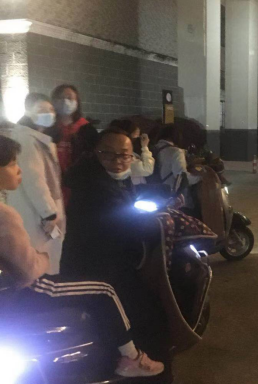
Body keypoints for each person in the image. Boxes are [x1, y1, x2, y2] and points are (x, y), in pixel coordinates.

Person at [0, 134, 164, 378]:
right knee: (105, 290)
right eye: (13, 163)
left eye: (125, 155)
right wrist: (43, 257)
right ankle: (131, 357)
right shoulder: (5, 215)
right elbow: (28, 270)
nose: (19, 169)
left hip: (13, 286)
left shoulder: (90, 177)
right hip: (27, 287)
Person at [0, 93, 65, 275]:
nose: (48, 113)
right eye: (41, 109)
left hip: (39, 212)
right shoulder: (26, 139)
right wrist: (49, 213)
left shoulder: (39, 138)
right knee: (37, 259)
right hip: (36, 214)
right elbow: (35, 180)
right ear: (29, 112)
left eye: (50, 109)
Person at [50, 84, 89, 204]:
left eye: (69, 98)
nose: (65, 102)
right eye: (60, 98)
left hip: (78, 185)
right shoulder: (48, 127)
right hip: (52, 181)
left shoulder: (86, 128)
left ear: (77, 101)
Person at [109, 119, 154, 185]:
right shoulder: (124, 156)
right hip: (132, 187)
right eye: (136, 137)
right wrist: (145, 147)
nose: (138, 140)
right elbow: (147, 169)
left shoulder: (129, 153)